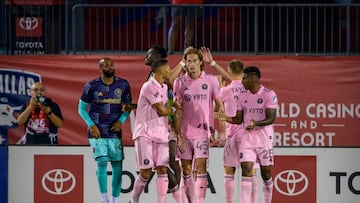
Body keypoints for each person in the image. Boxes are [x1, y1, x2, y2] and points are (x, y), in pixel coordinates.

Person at [200, 47, 260, 203]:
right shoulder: (252, 89)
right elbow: (235, 80)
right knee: (251, 171)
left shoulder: (225, 90)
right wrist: (213, 63)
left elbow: (218, 106)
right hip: (250, 135)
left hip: (233, 135)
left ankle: (230, 201)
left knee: (229, 170)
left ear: (230, 72)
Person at [172, 47, 224, 203]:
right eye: (189, 61)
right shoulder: (179, 83)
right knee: (186, 170)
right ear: (185, 63)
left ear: (201, 62)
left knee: (201, 168)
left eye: (195, 60)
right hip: (185, 133)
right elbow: (177, 111)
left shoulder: (211, 80)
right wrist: (178, 135)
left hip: (203, 133)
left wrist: (221, 131)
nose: (192, 64)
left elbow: (220, 105)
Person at [78, 57, 132, 203]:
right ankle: (104, 199)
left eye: (111, 64)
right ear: (100, 69)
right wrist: (91, 125)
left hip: (114, 132)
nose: (109, 66)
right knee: (101, 163)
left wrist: (121, 121)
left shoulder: (123, 84)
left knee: (117, 166)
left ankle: (115, 200)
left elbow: (128, 108)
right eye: (106, 65)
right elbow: (81, 109)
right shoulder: (91, 86)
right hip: (97, 131)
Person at [220, 66, 278, 203]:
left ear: (253, 79)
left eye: (244, 79)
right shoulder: (242, 96)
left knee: (266, 174)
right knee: (246, 169)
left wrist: (256, 123)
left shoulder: (269, 94)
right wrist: (224, 117)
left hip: (264, 140)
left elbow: (271, 118)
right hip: (247, 140)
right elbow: (238, 119)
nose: (242, 82)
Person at [129, 58, 178, 203]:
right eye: (168, 69)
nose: (170, 71)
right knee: (146, 171)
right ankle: (134, 200)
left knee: (162, 169)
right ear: (162, 70)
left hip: (161, 135)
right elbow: (162, 111)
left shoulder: (164, 87)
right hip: (145, 134)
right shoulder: (148, 86)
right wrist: (175, 109)